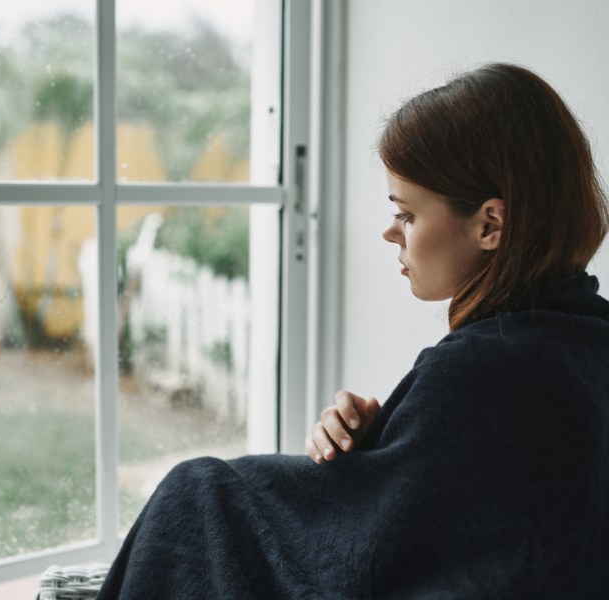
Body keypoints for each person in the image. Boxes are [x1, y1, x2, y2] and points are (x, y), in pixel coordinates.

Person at [96, 63, 609, 599]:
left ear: (490, 225)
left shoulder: (479, 371)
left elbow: (377, 558)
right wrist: (379, 449)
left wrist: (378, 467)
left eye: (407, 215)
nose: (391, 232)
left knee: (197, 496)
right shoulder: (586, 341)